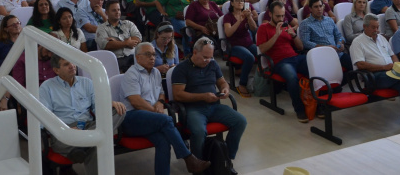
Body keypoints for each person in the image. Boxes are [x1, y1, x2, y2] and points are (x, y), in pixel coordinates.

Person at [121, 42, 211, 175]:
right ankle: (188, 158)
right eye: (148, 55)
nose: (152, 57)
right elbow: (136, 102)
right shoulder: (131, 74)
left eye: (153, 54)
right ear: (138, 57)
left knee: (163, 141)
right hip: (132, 119)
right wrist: (155, 111)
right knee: (166, 120)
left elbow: (161, 92)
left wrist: (160, 103)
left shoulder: (156, 72)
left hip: (151, 119)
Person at [39, 54, 126, 175]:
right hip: (65, 130)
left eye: (72, 62)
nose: (72, 66)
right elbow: (44, 117)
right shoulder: (47, 87)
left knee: (119, 110)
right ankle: (88, 142)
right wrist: (65, 129)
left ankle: (81, 146)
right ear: (56, 70)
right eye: (66, 64)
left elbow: (98, 108)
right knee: (96, 147)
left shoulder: (87, 82)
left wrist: (109, 104)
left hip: (88, 125)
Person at [171, 37, 247, 162]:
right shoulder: (182, 68)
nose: (208, 60)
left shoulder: (212, 64)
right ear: (195, 52)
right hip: (194, 109)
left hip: (214, 106)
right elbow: (178, 95)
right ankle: (198, 163)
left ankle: (226, 158)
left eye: (210, 57)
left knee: (240, 121)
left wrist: (225, 89)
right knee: (199, 131)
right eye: (205, 57)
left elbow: (222, 82)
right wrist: (203, 97)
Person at [256, 0, 307, 121]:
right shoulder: (263, 28)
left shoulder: (287, 25)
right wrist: (276, 35)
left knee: (315, 68)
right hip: (279, 62)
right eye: (278, 16)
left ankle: (319, 104)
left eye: (283, 15)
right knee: (292, 78)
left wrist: (294, 35)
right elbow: (262, 49)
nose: (281, 18)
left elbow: (300, 47)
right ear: (270, 14)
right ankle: (299, 110)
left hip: (295, 57)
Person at [299, 0, 351, 70]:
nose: (319, 9)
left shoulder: (329, 20)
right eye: (316, 7)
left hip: (337, 53)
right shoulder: (305, 24)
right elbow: (305, 42)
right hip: (321, 55)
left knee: (353, 65)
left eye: (320, 6)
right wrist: (325, 47)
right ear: (310, 9)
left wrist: (340, 43)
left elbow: (339, 36)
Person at [222, 0, 258, 97]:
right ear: (232, 3)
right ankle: (242, 84)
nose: (240, 3)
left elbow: (254, 29)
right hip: (234, 45)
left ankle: (261, 80)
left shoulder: (246, 15)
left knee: (261, 52)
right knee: (249, 57)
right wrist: (240, 20)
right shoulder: (228, 17)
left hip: (248, 43)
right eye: (237, 1)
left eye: (242, 1)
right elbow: (228, 33)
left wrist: (249, 17)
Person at [95, 1, 142, 72]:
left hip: (132, 57)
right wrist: (126, 43)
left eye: (119, 9)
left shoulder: (129, 24)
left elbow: (138, 38)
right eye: (114, 10)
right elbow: (106, 45)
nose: (117, 12)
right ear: (106, 13)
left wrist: (116, 41)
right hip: (115, 60)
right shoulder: (101, 28)